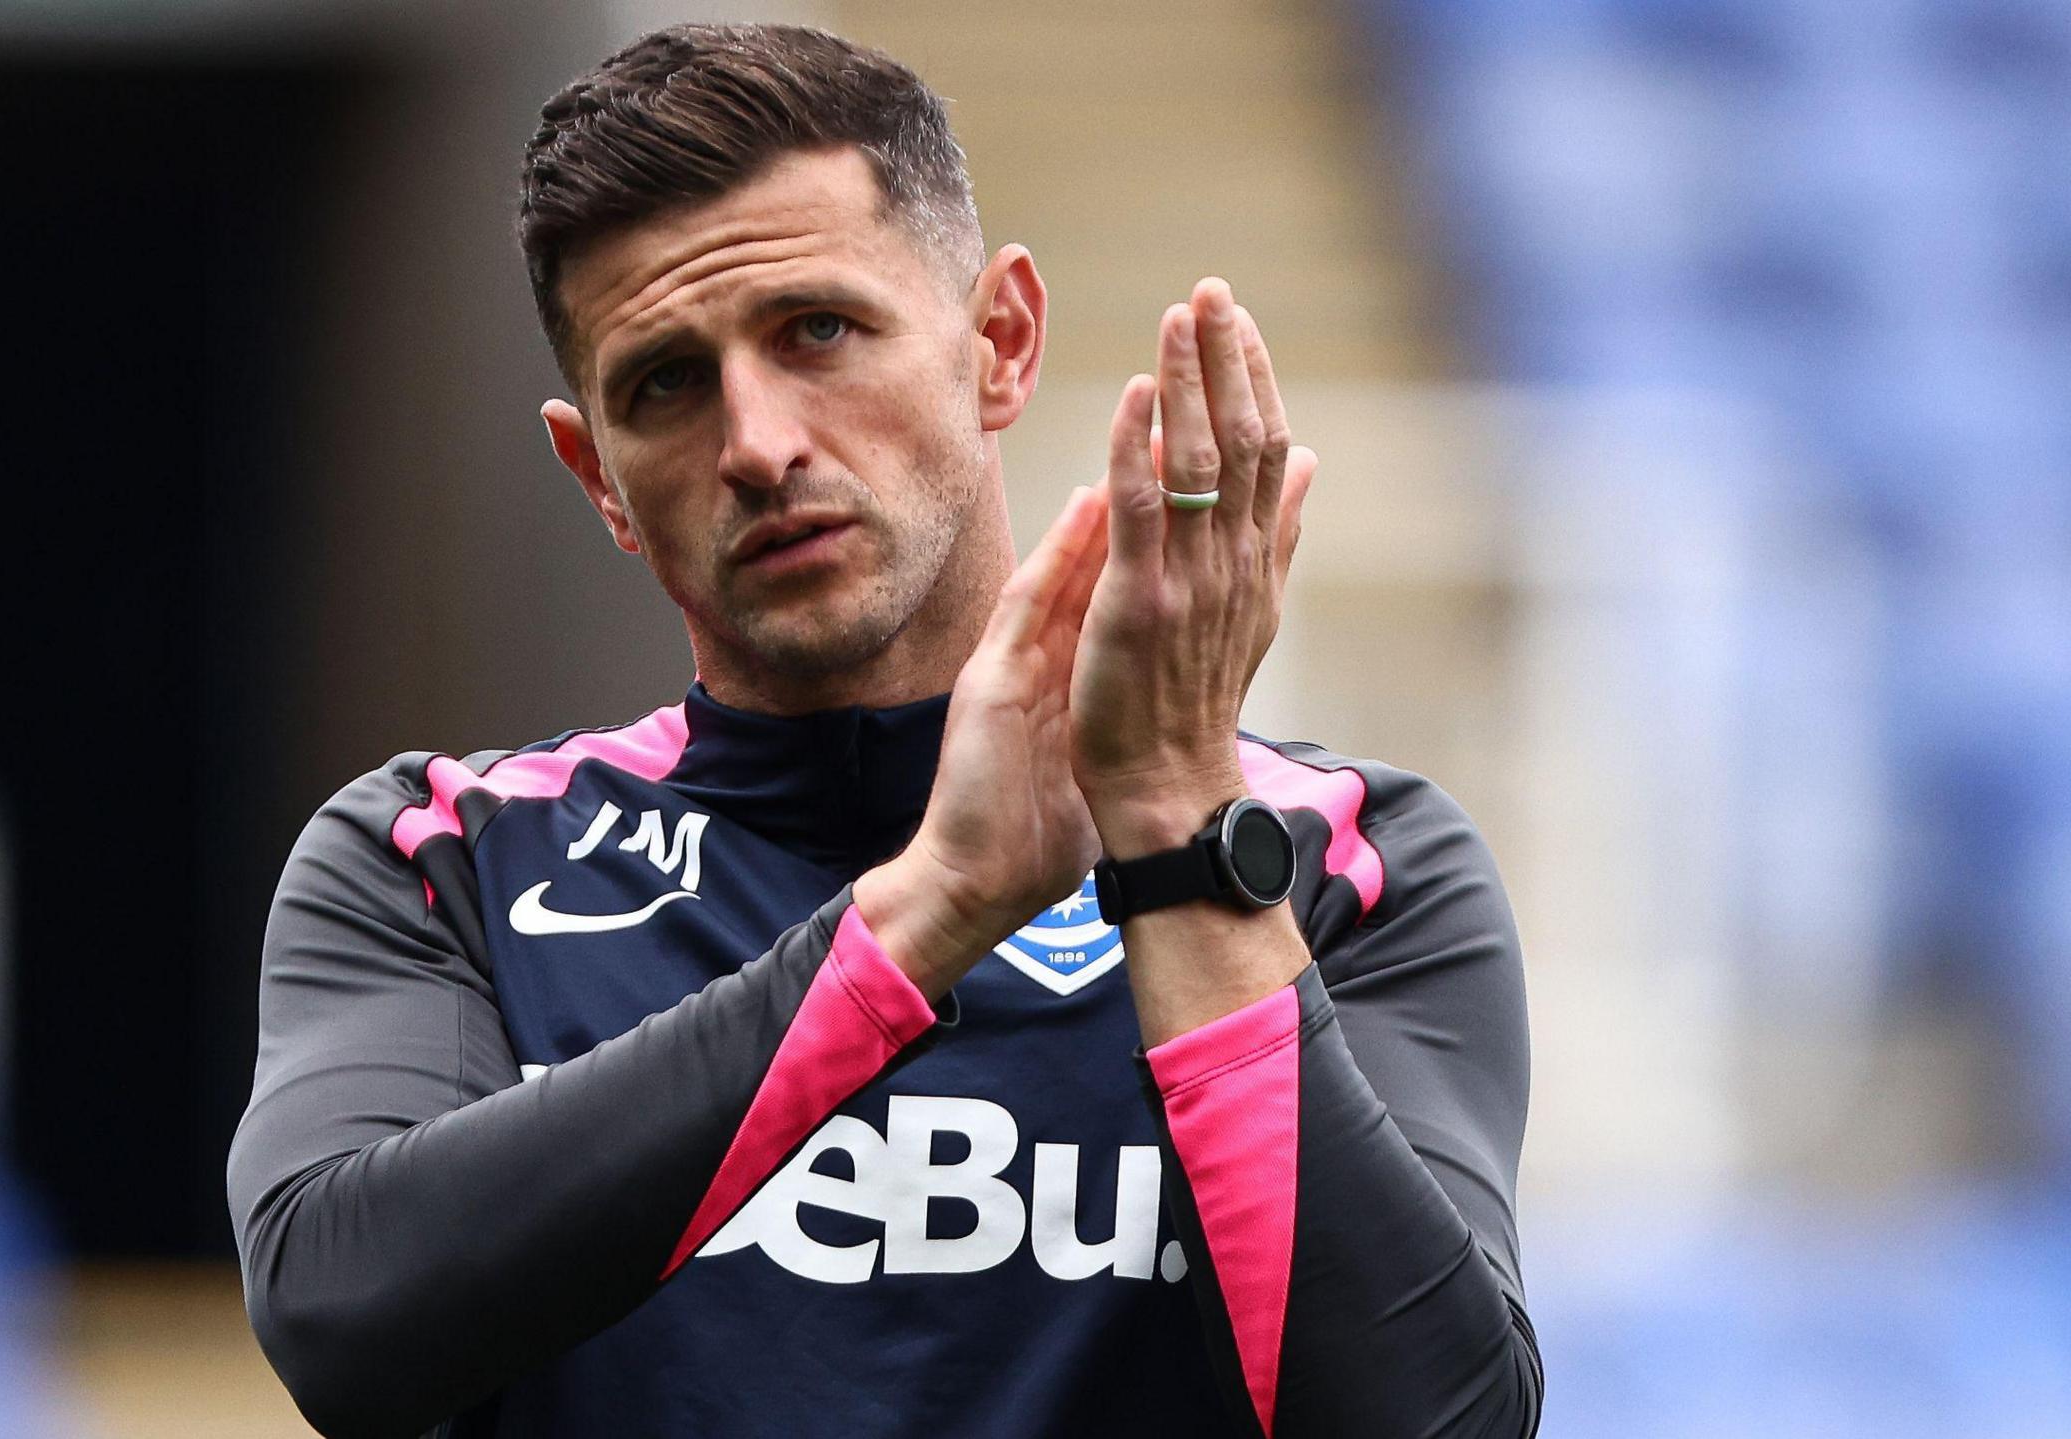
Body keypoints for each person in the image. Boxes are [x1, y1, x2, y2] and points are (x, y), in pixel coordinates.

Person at [228, 22, 1540, 1439]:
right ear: (596, 476)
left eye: (818, 333)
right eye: (664, 383)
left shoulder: (1345, 861)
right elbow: (345, 1322)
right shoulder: (446, 860)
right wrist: (927, 914)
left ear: (1000, 342)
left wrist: (1171, 833)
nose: (757, 442)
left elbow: (1435, 1422)